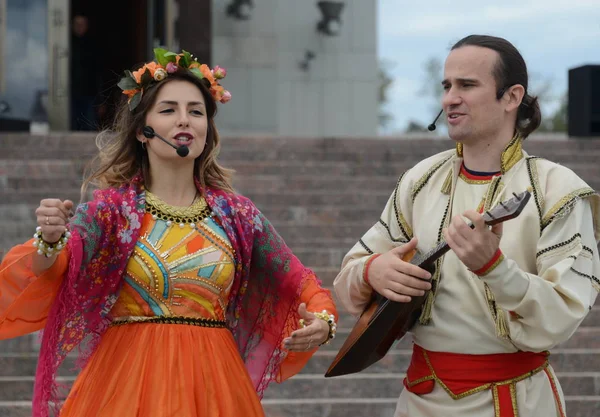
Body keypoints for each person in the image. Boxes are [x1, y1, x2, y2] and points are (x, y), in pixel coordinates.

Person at [0, 48, 337, 417]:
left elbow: (300, 281)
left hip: (214, 388)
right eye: (168, 110)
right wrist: (49, 240)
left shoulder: (238, 216)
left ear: (207, 130)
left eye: (196, 111)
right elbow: (54, 267)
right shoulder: (112, 212)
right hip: (125, 384)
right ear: (143, 132)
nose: (185, 121)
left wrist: (322, 320)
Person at [333, 34, 600, 417]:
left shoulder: (559, 190)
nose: (449, 98)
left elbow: (562, 314)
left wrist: (495, 269)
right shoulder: (420, 179)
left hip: (516, 402)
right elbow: (350, 272)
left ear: (511, 97)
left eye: (467, 85)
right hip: (419, 400)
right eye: (446, 86)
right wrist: (373, 271)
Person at [70, 14, 103, 131]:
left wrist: (101, 99)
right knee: (71, 125)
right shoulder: (66, 44)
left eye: (82, 24)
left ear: (87, 26)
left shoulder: (93, 46)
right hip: (69, 93)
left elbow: (99, 73)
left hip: (89, 94)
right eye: (76, 24)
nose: (79, 27)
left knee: (88, 126)